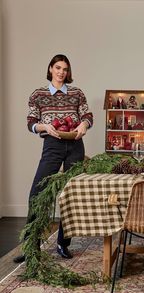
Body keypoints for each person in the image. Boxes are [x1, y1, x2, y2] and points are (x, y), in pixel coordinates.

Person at [13, 54, 93, 263]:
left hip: (75, 144)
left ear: (68, 72)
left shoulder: (77, 93)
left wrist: (83, 125)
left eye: (65, 69)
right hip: (52, 145)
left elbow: (87, 116)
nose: (61, 72)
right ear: (50, 69)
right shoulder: (38, 95)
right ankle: (31, 247)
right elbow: (30, 122)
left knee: (70, 195)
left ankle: (63, 244)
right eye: (57, 68)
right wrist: (44, 126)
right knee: (37, 194)